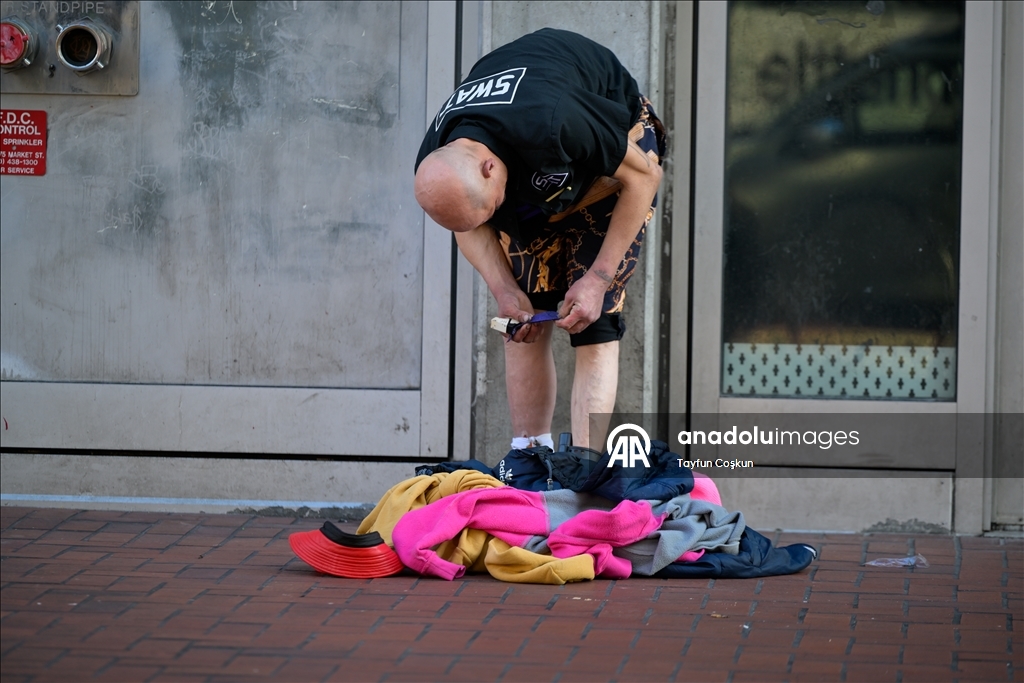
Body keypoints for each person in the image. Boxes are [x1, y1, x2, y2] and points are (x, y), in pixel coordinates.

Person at [414, 28, 665, 450]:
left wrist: (599, 278)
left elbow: (644, 177)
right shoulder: (438, 159)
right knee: (523, 319)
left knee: (592, 317)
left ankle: (586, 467)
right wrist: (504, 290)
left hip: (613, 161)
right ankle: (530, 457)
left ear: (489, 168)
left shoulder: (554, 117)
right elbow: (469, 226)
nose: (490, 223)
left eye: (491, 210)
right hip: (536, 171)